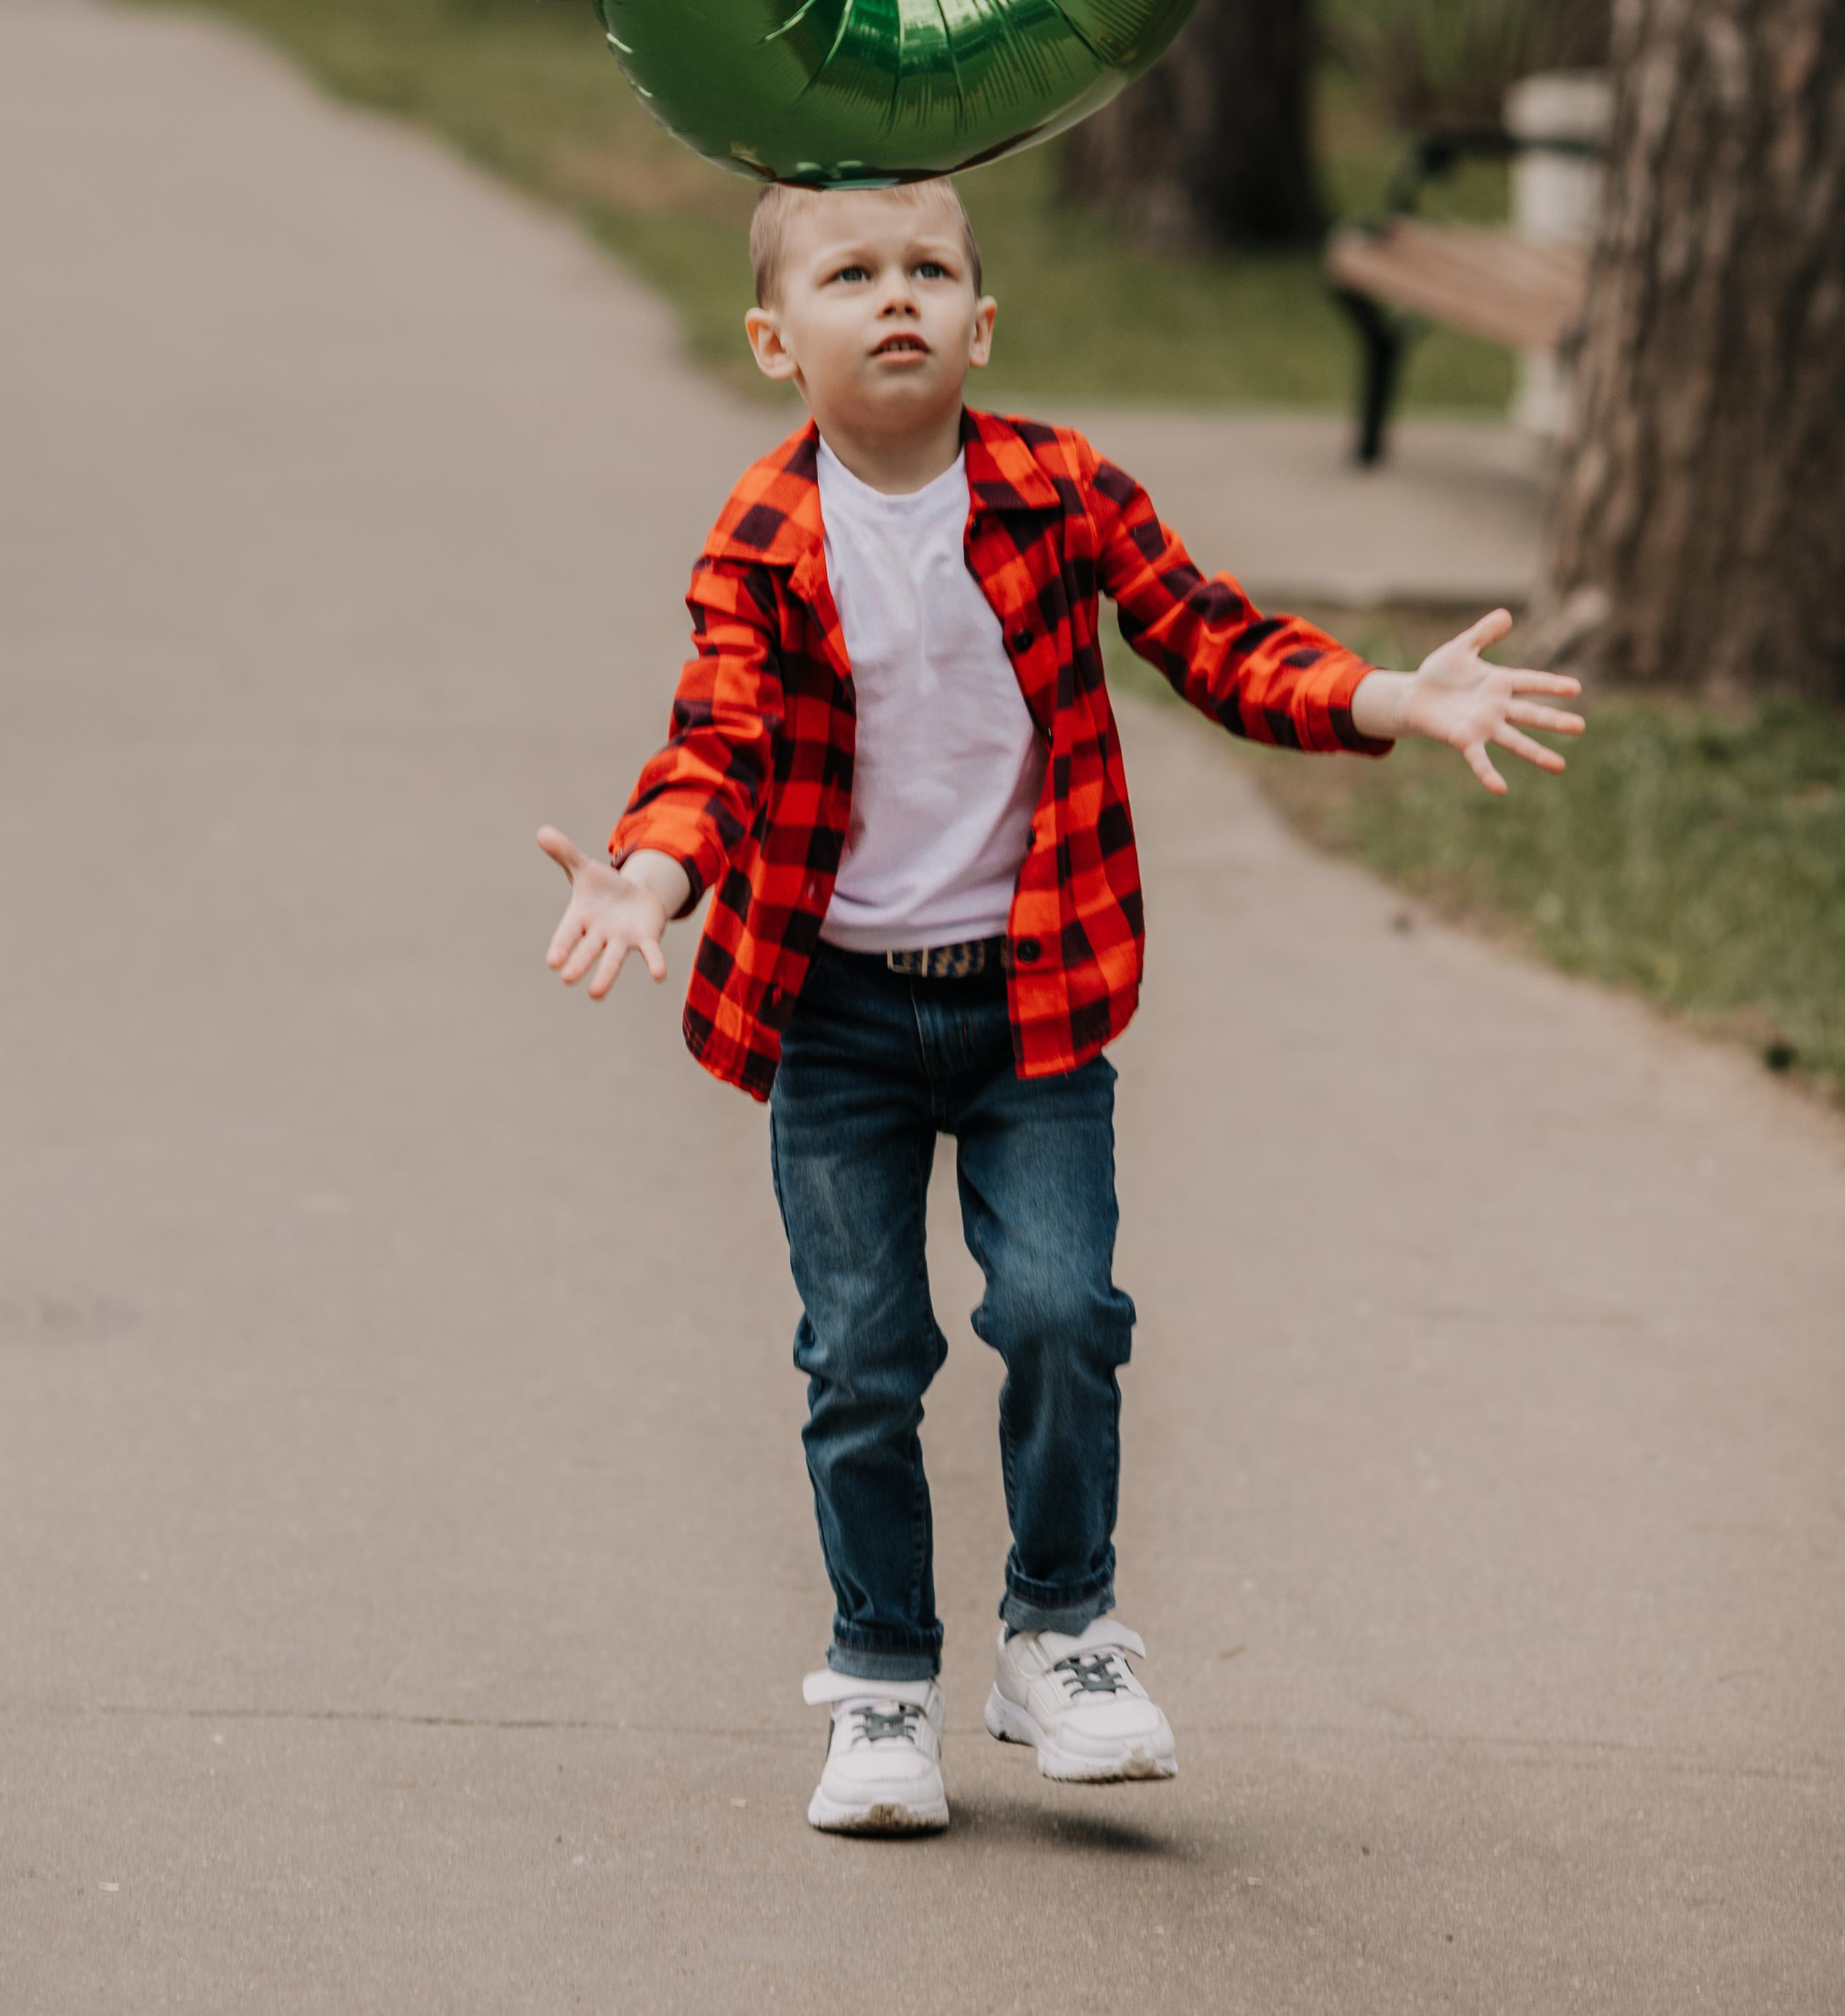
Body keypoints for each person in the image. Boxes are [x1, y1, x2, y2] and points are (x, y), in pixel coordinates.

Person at [536, 178, 1584, 1836]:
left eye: (929, 271)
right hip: (840, 1021)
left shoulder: (1056, 489)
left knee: (1057, 1313)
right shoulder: (761, 535)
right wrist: (651, 878)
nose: (896, 298)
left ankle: (1059, 1637)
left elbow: (1213, 640)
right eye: (851, 274)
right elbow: (717, 749)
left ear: (981, 321)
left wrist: (1384, 692)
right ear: (770, 340)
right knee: (866, 1356)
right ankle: (881, 1683)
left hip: (1031, 1008)